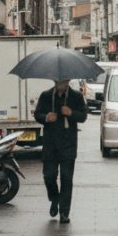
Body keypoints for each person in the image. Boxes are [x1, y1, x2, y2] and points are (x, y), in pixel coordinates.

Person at [34, 79, 88, 224]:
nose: (61, 84)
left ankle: (64, 212)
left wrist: (71, 113)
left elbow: (83, 116)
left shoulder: (76, 96)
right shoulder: (46, 95)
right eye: (59, 82)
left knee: (66, 179)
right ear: (55, 81)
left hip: (68, 144)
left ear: (68, 81)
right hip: (50, 144)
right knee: (49, 176)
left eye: (64, 81)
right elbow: (37, 114)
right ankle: (54, 198)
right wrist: (46, 117)